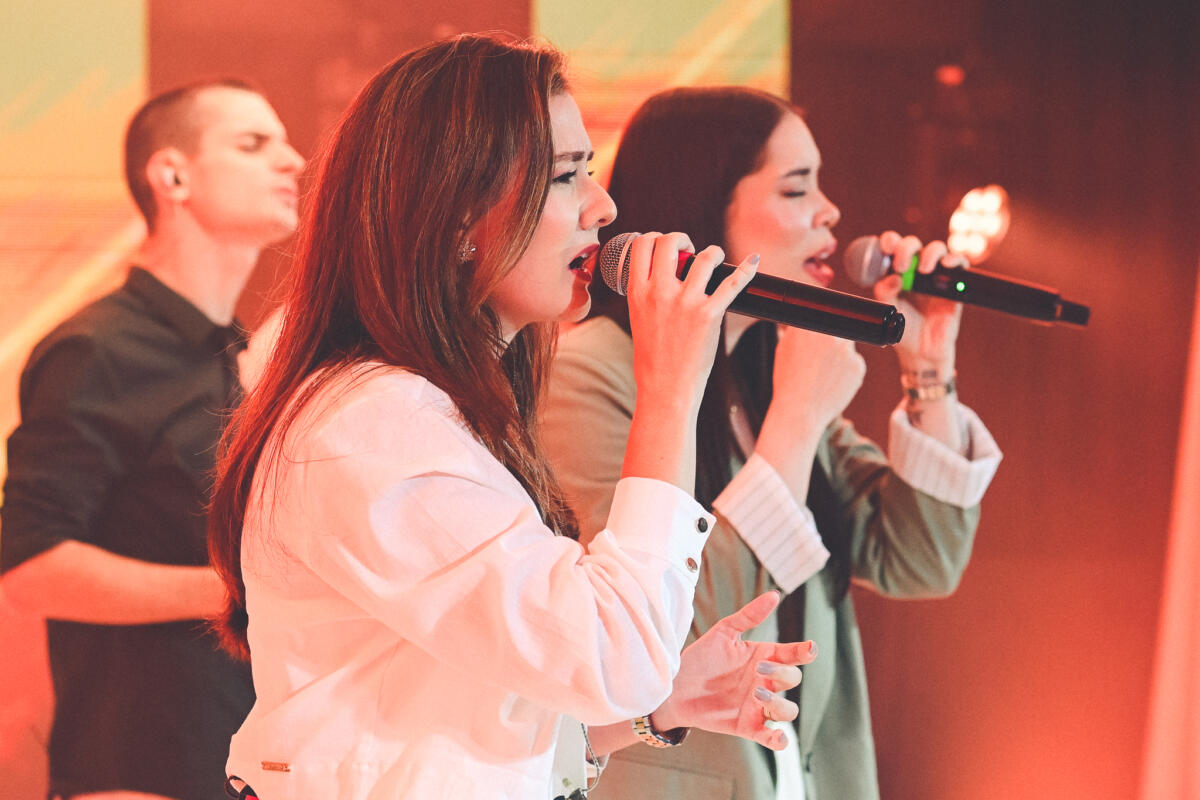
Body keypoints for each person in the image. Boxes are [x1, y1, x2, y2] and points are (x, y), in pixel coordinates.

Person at [206, 34, 818, 800]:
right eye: (566, 175)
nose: (603, 206)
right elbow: (612, 659)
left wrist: (655, 707)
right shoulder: (373, 425)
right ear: (457, 217)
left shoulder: (430, 410)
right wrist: (669, 390)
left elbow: (455, 721)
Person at [541, 86, 1004, 800]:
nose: (830, 211)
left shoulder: (764, 371)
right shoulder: (587, 372)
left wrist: (930, 366)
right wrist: (795, 421)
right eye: (796, 188)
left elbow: (920, 561)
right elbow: (659, 636)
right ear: (703, 205)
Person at [0, 80, 304, 800]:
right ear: (171, 176)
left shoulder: (247, 356)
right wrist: (233, 590)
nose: (292, 161)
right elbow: (29, 563)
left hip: (251, 759)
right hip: (141, 767)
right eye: (253, 144)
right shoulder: (97, 349)